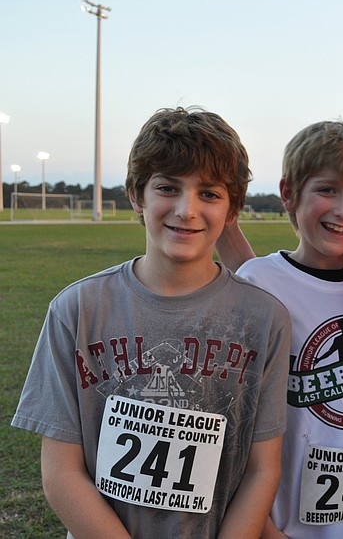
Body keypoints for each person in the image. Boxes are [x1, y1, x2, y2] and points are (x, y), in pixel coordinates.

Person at [11, 107, 290, 539]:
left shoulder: (263, 319)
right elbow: (60, 474)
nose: (186, 209)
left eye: (209, 194)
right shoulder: (77, 310)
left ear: (233, 209)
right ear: (136, 195)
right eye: (167, 187)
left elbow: (261, 470)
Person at [235, 120, 343, 538]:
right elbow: (234, 417)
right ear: (289, 193)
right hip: (282, 522)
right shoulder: (258, 283)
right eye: (327, 190)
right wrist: (262, 527)